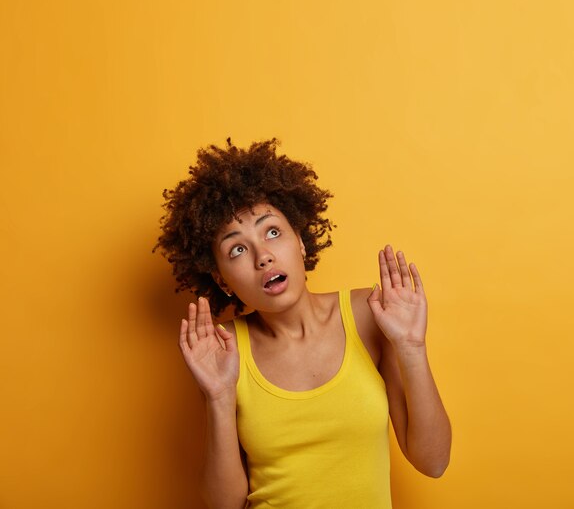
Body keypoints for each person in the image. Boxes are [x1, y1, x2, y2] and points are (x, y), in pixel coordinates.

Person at [155, 138, 451, 509]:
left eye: (273, 232)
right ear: (222, 281)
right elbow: (225, 505)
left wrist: (412, 348)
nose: (263, 257)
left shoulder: (369, 313)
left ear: (301, 241)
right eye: (238, 249)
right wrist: (218, 396)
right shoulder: (222, 348)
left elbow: (433, 461)